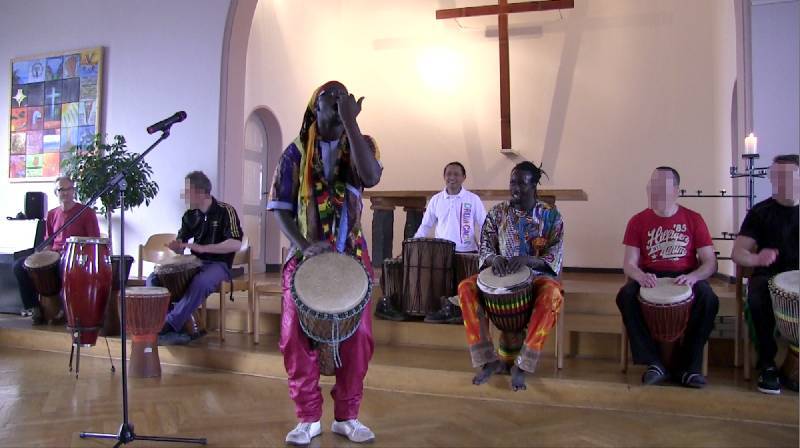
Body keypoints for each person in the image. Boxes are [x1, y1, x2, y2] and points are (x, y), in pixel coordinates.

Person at [267, 81, 382, 445]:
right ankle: (307, 417)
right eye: (327, 101)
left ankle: (347, 416)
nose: (334, 105)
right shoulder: (294, 154)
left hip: (351, 256)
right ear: (313, 110)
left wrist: (351, 122)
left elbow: (372, 176)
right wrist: (303, 245)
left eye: (340, 100)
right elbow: (281, 209)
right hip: (305, 258)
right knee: (292, 338)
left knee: (359, 338)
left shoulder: (360, 147)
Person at [456, 161, 564, 392]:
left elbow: (554, 256)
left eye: (522, 183)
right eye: (512, 182)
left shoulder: (551, 216)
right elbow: (485, 247)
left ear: (534, 185)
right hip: (499, 276)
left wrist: (527, 260)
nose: (515, 187)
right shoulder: (497, 213)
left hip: (535, 279)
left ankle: (523, 365)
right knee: (465, 287)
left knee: (553, 294)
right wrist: (494, 260)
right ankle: (487, 359)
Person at [616, 167, 719, 388]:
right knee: (625, 296)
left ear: (676, 191)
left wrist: (693, 277)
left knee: (709, 299)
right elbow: (629, 264)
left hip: (685, 276)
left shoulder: (694, 219)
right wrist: (640, 276)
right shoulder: (637, 221)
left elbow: (710, 262)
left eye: (662, 187)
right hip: (651, 276)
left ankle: (690, 368)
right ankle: (653, 363)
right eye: (652, 186)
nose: (656, 192)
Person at [148, 171, 243, 345]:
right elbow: (181, 245)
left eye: (187, 190)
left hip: (219, 264)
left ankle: (169, 324)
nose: (184, 195)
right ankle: (165, 322)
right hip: (196, 263)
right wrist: (176, 247)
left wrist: (204, 247)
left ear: (200, 192)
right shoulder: (189, 216)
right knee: (154, 278)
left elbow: (236, 243)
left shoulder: (225, 211)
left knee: (201, 282)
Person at [731, 154, 799, 394]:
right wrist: (757, 258)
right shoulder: (761, 212)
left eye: (787, 176)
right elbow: (738, 253)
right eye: (776, 176)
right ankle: (767, 364)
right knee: (758, 296)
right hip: (769, 277)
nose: (781, 182)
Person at [396, 161, 487, 324]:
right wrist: (411, 246)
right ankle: (444, 310)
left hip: (467, 252)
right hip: (441, 253)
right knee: (441, 287)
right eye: (448, 174)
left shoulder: (473, 200)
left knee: (465, 288)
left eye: (456, 174)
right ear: (444, 177)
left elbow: (485, 225)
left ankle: (463, 312)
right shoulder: (436, 200)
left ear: (464, 177)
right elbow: (425, 226)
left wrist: (487, 248)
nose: (452, 177)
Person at [13, 175, 100, 324]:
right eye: (61, 190)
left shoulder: (86, 213)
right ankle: (34, 307)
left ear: (74, 191)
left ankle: (64, 311)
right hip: (55, 254)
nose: (65, 193)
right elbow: (49, 240)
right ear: (56, 193)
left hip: (75, 256)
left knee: (64, 268)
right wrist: (44, 255)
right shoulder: (52, 214)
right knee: (19, 266)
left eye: (69, 189)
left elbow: (95, 241)